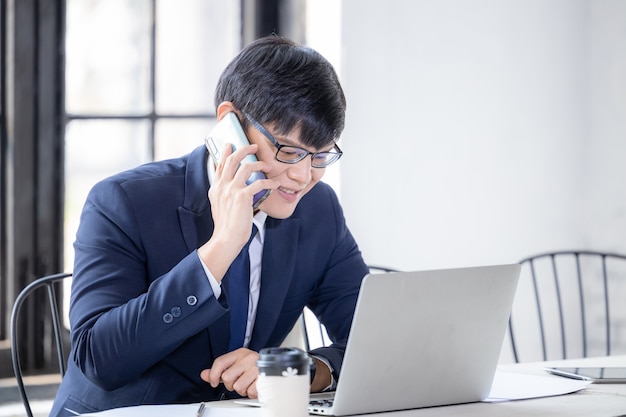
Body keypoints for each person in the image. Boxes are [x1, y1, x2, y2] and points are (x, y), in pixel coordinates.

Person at [49, 35, 369, 417]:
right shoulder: (122, 202)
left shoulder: (319, 211)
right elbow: (97, 359)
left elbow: (372, 342)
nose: (302, 176)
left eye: (320, 156)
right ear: (229, 122)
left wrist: (293, 371)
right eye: (287, 150)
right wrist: (219, 251)